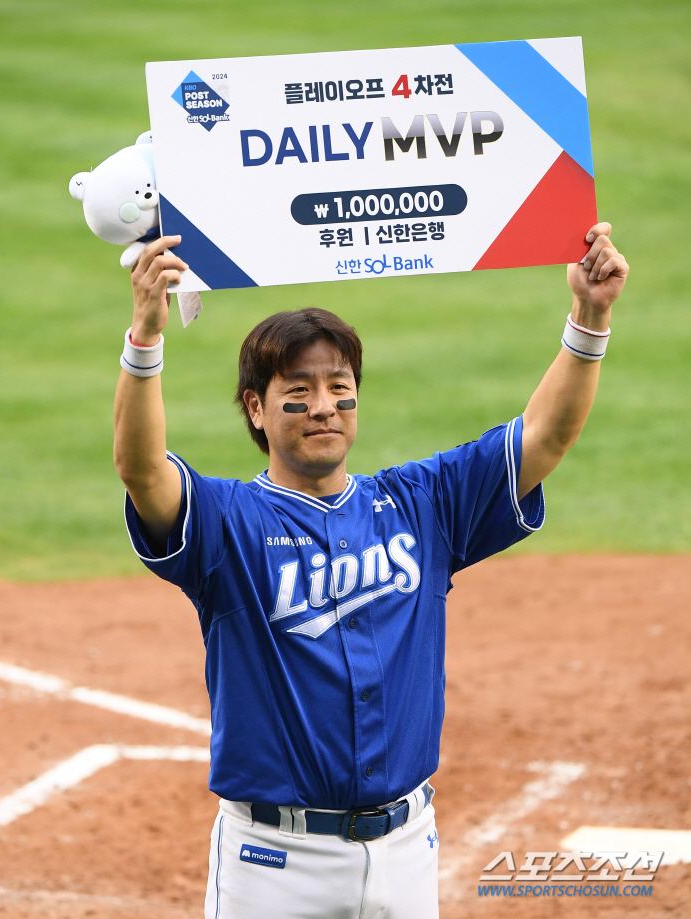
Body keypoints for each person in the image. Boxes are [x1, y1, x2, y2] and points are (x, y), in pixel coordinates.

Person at [113, 223, 628, 919]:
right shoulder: (228, 523)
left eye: (339, 385)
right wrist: (145, 336)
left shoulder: (423, 503)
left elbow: (545, 436)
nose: (324, 404)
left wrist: (590, 317)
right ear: (256, 409)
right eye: (299, 388)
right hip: (274, 865)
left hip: (408, 850)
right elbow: (143, 469)